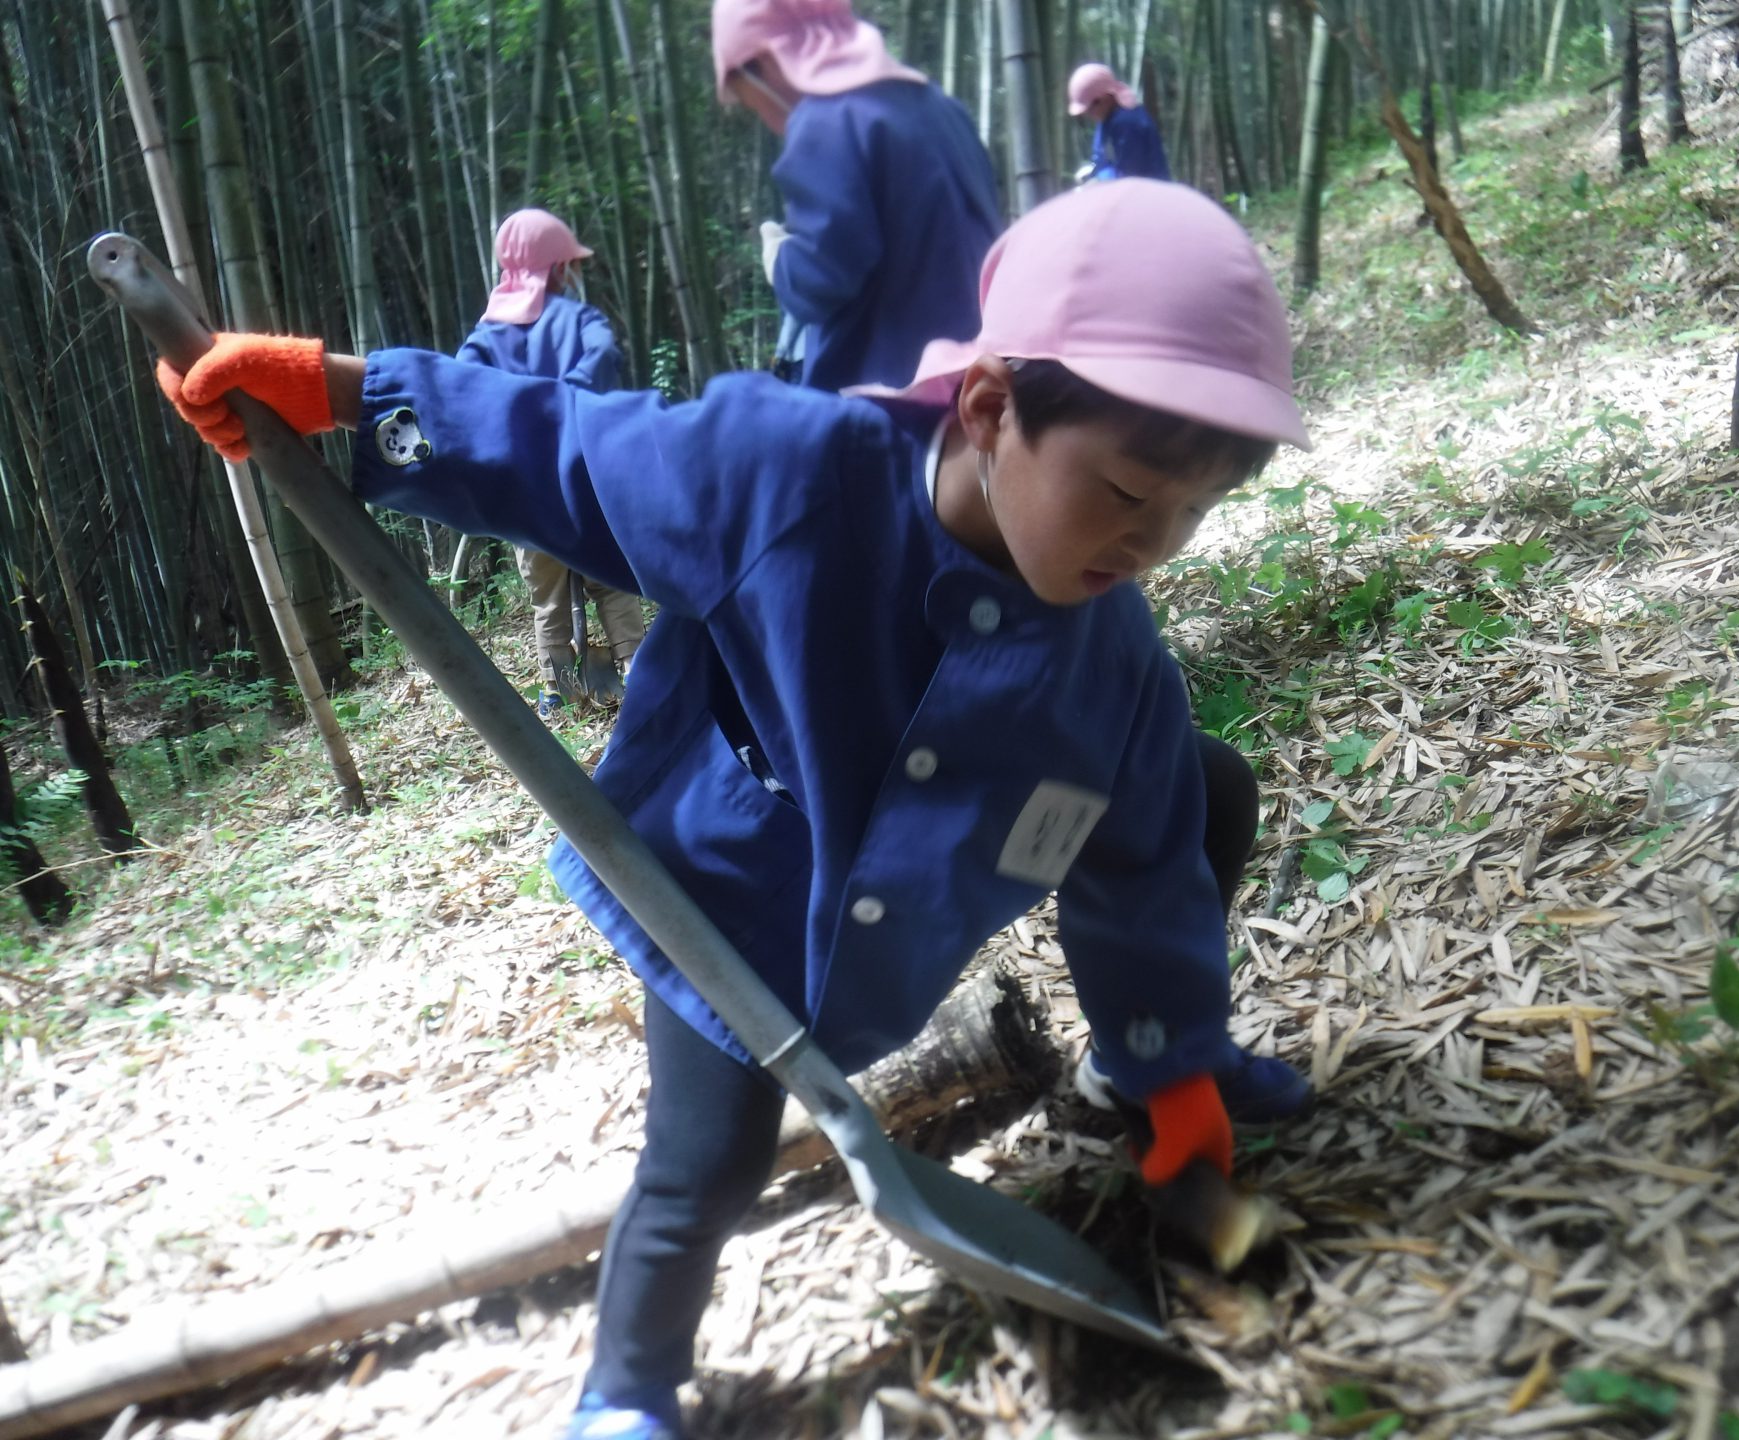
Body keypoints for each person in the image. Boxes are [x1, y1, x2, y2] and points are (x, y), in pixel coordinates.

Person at [156, 179, 1315, 1440]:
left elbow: (1139, 880)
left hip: (942, 869)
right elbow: (570, 447)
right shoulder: (789, 473)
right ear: (990, 408)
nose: (1154, 543)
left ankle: (1132, 1073)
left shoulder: (1112, 661)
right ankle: (627, 1390)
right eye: (1131, 494)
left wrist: (1172, 1068)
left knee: (1198, 789)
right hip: (733, 900)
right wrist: (338, 387)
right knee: (704, 1165)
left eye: (1196, 511)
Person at [716, 0, 1001, 392]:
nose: (768, 121)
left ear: (766, 62)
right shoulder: (943, 108)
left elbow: (820, 279)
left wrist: (780, 260)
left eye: (751, 102)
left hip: (890, 390)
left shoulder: (827, 120)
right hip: (975, 375)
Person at [457, 208, 648, 717]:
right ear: (559, 268)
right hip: (587, 483)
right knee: (613, 581)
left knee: (548, 598)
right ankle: (637, 674)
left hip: (526, 493)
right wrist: (565, 401)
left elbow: (461, 393)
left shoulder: (487, 336)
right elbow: (602, 361)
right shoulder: (581, 322)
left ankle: (558, 692)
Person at [1068, 62, 1171, 183]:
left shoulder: (1128, 124)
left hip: (1146, 191)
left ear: (1105, 98)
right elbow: (1100, 157)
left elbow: (1129, 176)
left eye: (1089, 109)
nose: (1088, 115)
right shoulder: (1105, 118)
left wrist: (1099, 180)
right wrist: (1092, 170)